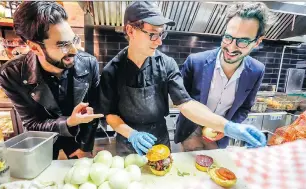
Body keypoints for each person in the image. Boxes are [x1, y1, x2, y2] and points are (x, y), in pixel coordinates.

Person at [99, 1, 266, 156]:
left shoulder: (166, 64)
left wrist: (228, 127)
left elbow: (186, 103)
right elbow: (110, 115)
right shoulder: (112, 70)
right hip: (127, 140)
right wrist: (132, 134)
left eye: (161, 34)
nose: (159, 42)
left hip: (160, 137)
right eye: (152, 34)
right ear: (130, 30)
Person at [0, 2, 103, 160]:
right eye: (63, 45)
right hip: (41, 142)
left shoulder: (88, 63)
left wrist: (85, 147)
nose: (74, 51)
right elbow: (32, 124)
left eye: (74, 40)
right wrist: (68, 122)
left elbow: (94, 111)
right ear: (35, 47)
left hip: (77, 139)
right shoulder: (11, 74)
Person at [175, 2, 272, 151]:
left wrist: (228, 127)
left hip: (220, 135)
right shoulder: (195, 62)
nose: (231, 47)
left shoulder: (257, 71)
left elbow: (244, 107)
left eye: (243, 41)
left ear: (257, 42)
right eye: (228, 37)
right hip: (190, 130)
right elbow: (182, 101)